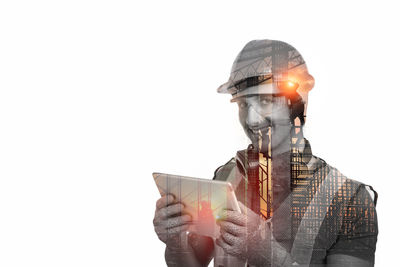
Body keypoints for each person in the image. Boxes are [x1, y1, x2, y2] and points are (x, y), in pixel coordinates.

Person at [153, 39, 378, 266]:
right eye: (243, 105)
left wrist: (264, 252)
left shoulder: (350, 201)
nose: (251, 120)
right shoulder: (226, 177)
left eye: (266, 100)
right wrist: (176, 243)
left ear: (297, 104)